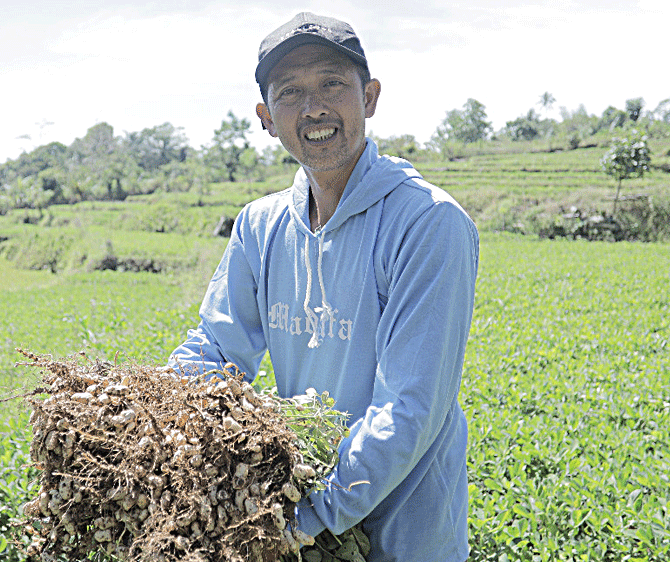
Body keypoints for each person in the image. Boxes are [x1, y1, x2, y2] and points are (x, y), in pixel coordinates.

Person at [168, 12, 478, 562]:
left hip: (402, 536)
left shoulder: (427, 223)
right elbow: (218, 348)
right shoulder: (260, 226)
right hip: (307, 526)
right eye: (290, 92)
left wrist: (308, 517)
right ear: (266, 118)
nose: (313, 107)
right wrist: (153, 414)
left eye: (332, 84)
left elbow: (409, 405)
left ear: (370, 97)